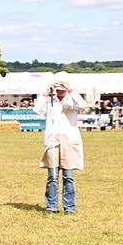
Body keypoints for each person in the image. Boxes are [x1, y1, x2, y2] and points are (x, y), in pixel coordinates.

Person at [33, 80, 85, 214]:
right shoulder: (51, 100)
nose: (60, 91)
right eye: (58, 89)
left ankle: (70, 207)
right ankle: (51, 206)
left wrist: (70, 89)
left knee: (68, 175)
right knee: (52, 175)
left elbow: (83, 105)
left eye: (62, 89)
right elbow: (37, 109)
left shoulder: (71, 99)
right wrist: (45, 94)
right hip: (52, 139)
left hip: (69, 139)